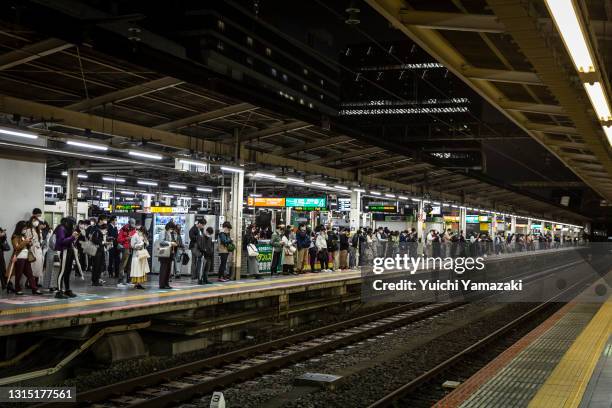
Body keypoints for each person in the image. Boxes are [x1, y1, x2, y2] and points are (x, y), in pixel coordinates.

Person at [9, 221, 42, 295]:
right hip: (19, 257)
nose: (25, 229)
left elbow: (26, 246)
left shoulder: (23, 236)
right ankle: (17, 289)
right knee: (19, 274)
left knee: (30, 274)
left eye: (26, 228)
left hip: (26, 256)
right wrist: (25, 242)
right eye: (24, 228)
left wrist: (29, 243)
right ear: (20, 228)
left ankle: (34, 289)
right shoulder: (15, 236)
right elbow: (17, 247)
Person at [54, 217, 79, 298]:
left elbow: (69, 240)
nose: (74, 226)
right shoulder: (61, 228)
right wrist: (72, 237)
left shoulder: (68, 229)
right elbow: (61, 242)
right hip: (63, 251)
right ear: (69, 223)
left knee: (68, 272)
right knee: (62, 272)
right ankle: (59, 291)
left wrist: (74, 238)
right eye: (73, 223)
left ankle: (67, 289)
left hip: (69, 251)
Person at [157, 221, 178, 289]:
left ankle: (166, 283)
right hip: (164, 254)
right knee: (164, 269)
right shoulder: (163, 232)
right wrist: (170, 243)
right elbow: (161, 242)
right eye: (171, 228)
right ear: (168, 227)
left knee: (168, 270)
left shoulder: (171, 233)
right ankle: (162, 284)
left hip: (170, 253)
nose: (172, 230)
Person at [24, 216, 44, 287]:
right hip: (32, 249)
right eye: (34, 220)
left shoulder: (38, 230)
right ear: (31, 221)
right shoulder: (28, 230)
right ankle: (30, 283)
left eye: (36, 220)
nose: (36, 222)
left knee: (38, 267)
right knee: (32, 267)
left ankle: (35, 282)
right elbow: (27, 240)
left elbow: (40, 240)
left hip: (38, 250)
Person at [117, 219, 136, 287]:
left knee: (130, 265)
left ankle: (129, 280)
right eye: (131, 225)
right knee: (123, 265)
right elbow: (119, 239)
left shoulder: (134, 229)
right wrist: (127, 238)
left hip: (132, 248)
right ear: (129, 224)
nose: (132, 227)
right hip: (125, 248)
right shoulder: (123, 229)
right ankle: (120, 281)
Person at [130, 224, 149, 289]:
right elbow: (132, 245)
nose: (142, 233)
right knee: (137, 269)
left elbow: (147, 244)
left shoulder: (143, 236)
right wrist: (140, 245)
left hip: (142, 254)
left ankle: (139, 283)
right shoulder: (135, 236)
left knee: (141, 269)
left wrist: (146, 242)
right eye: (142, 232)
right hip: (137, 255)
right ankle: (137, 283)